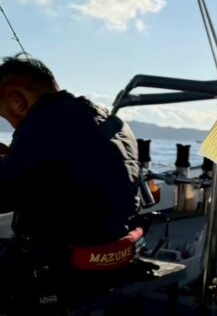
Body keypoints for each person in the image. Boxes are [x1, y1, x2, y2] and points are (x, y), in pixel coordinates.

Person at [0, 55, 141, 303]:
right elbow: (72, 171)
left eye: (4, 115)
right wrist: (13, 159)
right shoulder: (111, 121)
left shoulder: (42, 123)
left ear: (16, 100)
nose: (11, 124)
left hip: (61, 270)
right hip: (114, 255)